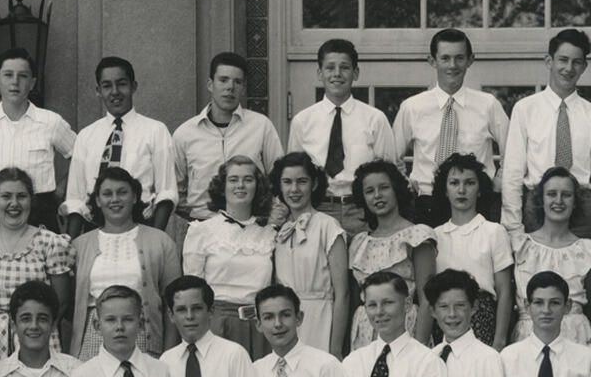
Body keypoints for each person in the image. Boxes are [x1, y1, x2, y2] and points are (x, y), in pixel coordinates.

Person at [502, 27, 591, 235]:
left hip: (580, 206)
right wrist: (513, 227)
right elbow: (512, 173)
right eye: (563, 60)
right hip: (537, 204)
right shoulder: (525, 109)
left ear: (584, 67)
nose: (569, 68)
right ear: (549, 61)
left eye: (576, 62)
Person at [66, 162, 183, 356]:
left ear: (135, 197)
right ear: (97, 200)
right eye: (107, 194)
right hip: (94, 336)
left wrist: (170, 355)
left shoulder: (161, 242)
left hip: (142, 333)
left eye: (122, 192)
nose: (115, 199)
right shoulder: (79, 245)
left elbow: (174, 302)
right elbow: (70, 304)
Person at [286, 37, 399, 224]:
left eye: (344, 67)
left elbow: (388, 172)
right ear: (319, 73)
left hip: (361, 210)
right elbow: (294, 174)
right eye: (330, 68)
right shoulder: (302, 121)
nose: (337, 74)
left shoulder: (375, 119)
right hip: (317, 209)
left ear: (356, 73)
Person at [0, 49, 74, 227]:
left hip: (41, 214)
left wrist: (60, 192)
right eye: (8, 75)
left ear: (32, 82)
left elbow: (81, 157)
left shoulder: (51, 122)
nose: (15, 82)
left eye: (22, 76)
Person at [0, 167, 69, 368]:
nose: (14, 203)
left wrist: (35, 328)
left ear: (31, 200)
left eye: (21, 196)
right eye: (6, 196)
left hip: (36, 336)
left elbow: (62, 301)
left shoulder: (50, 242)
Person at [62, 57, 177, 233]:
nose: (115, 92)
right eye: (107, 86)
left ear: (133, 86)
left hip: (141, 227)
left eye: (122, 84)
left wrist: (154, 238)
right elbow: (75, 199)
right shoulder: (86, 136)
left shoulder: (156, 131)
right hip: (94, 229)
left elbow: (166, 192)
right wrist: (73, 243)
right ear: (98, 91)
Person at [172, 51, 283, 231]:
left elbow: (279, 179)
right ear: (210, 84)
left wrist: (270, 219)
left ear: (243, 88)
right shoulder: (185, 134)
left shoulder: (261, 126)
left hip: (252, 228)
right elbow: (175, 190)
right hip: (203, 227)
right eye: (223, 80)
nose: (230, 87)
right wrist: (198, 218)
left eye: (237, 82)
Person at [395, 29, 506, 208]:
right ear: (432, 61)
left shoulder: (488, 105)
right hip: (426, 202)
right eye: (445, 58)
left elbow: (512, 151)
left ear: (470, 60)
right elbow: (392, 156)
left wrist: (498, 181)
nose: (452, 65)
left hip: (477, 202)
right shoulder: (412, 107)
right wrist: (404, 183)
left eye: (459, 58)